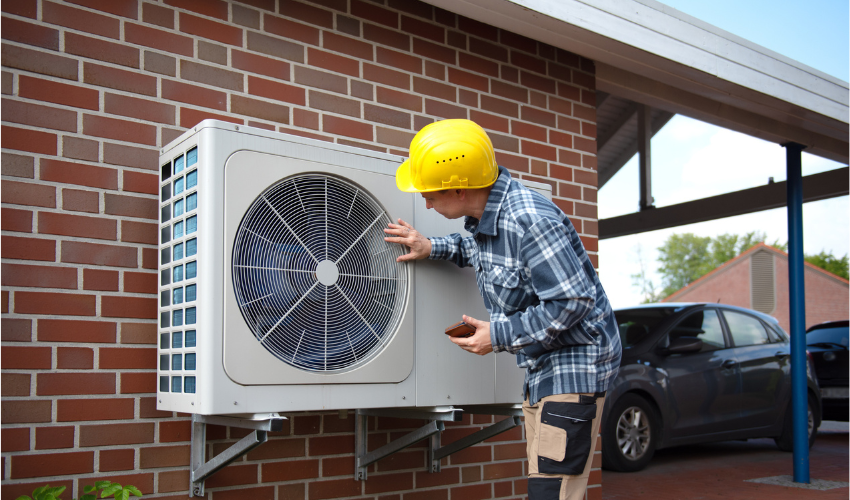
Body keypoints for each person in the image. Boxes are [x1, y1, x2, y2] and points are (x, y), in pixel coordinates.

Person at [384, 119, 622, 500]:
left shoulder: (530, 221)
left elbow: (572, 302)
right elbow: (483, 252)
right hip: (543, 368)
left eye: (430, 194)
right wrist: (431, 246)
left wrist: (497, 335)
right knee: (546, 484)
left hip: (574, 368)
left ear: (460, 188)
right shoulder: (492, 219)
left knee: (553, 491)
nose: (426, 203)